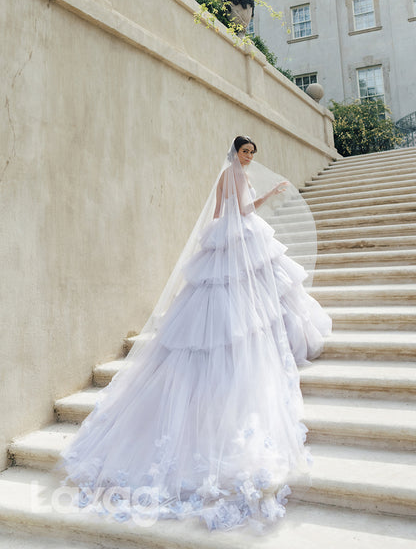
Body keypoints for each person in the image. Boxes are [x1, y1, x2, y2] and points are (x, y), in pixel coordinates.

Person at [59, 136, 331, 532]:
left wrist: (234, 224)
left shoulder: (225, 175)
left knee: (235, 303)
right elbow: (240, 209)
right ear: (235, 153)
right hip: (239, 237)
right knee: (246, 306)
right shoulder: (234, 175)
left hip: (226, 238)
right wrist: (269, 194)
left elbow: (219, 214)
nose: (249, 158)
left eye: (252, 153)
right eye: (245, 152)